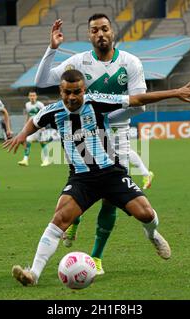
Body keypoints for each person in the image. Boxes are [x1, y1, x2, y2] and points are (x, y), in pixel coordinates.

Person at [4, 69, 190, 286]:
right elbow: (35, 121)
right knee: (59, 220)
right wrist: (23, 134)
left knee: (146, 214)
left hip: (111, 174)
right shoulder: (52, 111)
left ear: (84, 90)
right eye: (67, 92)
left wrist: (174, 92)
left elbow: (136, 99)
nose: (71, 97)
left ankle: (152, 234)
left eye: (76, 92)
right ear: (60, 91)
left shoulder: (96, 101)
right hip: (81, 180)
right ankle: (33, 274)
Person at [34, 14, 155, 274]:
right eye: (94, 30)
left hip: (119, 134)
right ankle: (73, 220)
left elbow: (139, 103)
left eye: (104, 29)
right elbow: (43, 81)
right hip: (87, 134)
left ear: (112, 32)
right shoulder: (79, 61)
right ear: (89, 36)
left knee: (110, 199)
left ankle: (96, 258)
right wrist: (52, 49)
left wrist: (103, 118)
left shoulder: (130, 62)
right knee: (83, 183)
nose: (100, 34)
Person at [18, 90, 50, 167]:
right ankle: (25, 160)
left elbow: (44, 115)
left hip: (39, 127)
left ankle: (46, 160)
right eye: (31, 96)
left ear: (36, 97)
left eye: (33, 96)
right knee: (28, 141)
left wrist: (43, 126)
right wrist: (25, 125)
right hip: (31, 128)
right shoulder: (27, 105)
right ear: (29, 97)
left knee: (42, 142)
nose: (32, 97)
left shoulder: (40, 105)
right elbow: (28, 115)